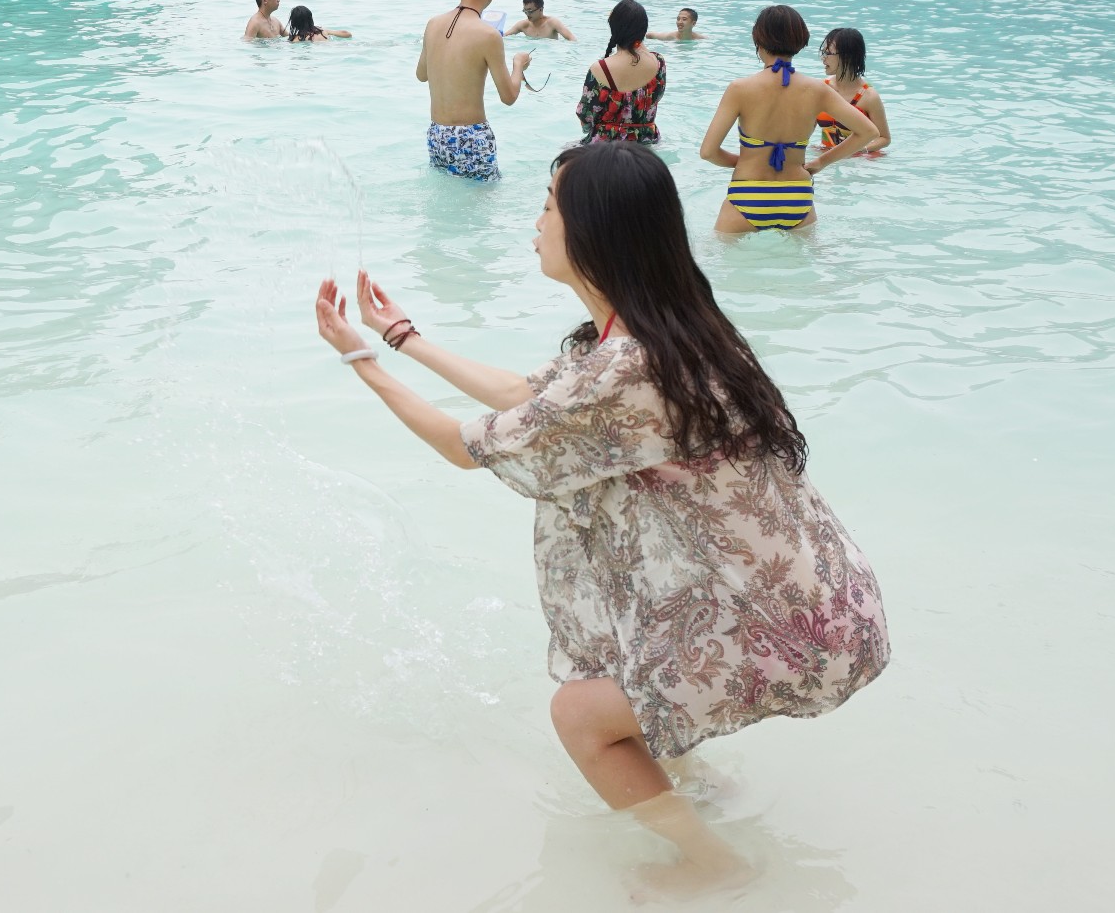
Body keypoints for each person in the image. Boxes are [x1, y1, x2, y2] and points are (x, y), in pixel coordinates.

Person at [309, 142, 889, 896]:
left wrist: (362, 362)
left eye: (550, 204)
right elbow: (524, 394)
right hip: (824, 601)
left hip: (785, 626)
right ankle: (700, 790)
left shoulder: (627, 367)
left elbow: (463, 446)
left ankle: (717, 865)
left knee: (581, 715)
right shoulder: (666, 331)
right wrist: (401, 337)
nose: (538, 219)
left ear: (593, 230)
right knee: (629, 669)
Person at [698, 5, 877, 232]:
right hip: (798, 197)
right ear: (800, 41)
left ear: (758, 41)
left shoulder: (740, 88)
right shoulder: (817, 89)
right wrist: (819, 163)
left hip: (748, 193)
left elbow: (708, 152)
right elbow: (868, 132)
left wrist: (744, 160)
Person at [416, 0, 532, 181]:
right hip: (472, 136)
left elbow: (421, 75)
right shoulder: (488, 35)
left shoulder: (433, 24)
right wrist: (518, 65)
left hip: (437, 134)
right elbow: (508, 97)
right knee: (482, 207)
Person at [576, 0, 664, 144]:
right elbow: (656, 98)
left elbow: (586, 115)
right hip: (647, 139)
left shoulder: (600, 68)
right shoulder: (658, 62)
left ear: (613, 28)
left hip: (607, 145)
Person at [815, 27, 890, 158]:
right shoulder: (822, 89)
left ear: (847, 56)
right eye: (823, 52)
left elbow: (884, 138)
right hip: (826, 155)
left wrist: (860, 150)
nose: (823, 58)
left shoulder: (868, 96)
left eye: (828, 53)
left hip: (860, 161)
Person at [506, 0, 576, 40]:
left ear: (540, 9)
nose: (527, 14)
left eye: (530, 11)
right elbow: (503, 37)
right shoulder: (523, 25)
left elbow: (572, 39)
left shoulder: (552, 23)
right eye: (525, 11)